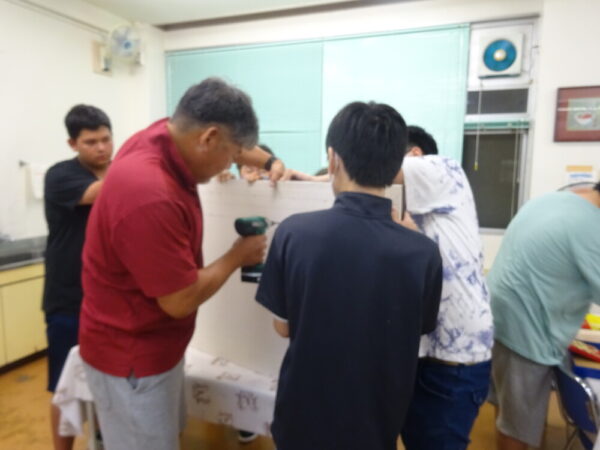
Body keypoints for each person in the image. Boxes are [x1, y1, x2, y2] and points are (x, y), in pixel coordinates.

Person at [78, 78, 281, 450]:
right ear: (208, 138)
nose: (233, 163)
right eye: (231, 156)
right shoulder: (150, 193)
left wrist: (269, 162)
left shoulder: (163, 135)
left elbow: (233, 144)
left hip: (159, 346)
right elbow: (179, 300)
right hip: (132, 359)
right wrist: (238, 255)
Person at [256, 101, 443, 450]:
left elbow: (283, 327)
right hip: (377, 422)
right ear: (396, 166)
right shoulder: (424, 252)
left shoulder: (293, 233)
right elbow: (416, 329)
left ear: (333, 159)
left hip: (302, 419)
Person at [396, 126, 493, 450]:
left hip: (454, 364)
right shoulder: (414, 210)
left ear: (415, 155)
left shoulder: (443, 168)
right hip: (422, 356)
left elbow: (366, 169)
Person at [488, 181, 600, 450]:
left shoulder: (556, 199)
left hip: (499, 316)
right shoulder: (592, 227)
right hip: (525, 331)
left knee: (511, 412)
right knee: (517, 427)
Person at [43, 104, 113, 450]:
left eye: (106, 139)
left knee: (107, 381)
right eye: (90, 142)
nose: (101, 148)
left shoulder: (119, 171)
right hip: (69, 299)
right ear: (73, 144)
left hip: (109, 299)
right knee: (64, 386)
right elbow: (99, 193)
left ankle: (101, 440)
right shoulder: (61, 176)